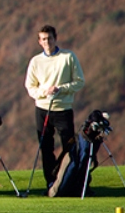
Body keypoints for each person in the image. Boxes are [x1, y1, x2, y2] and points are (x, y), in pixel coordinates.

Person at [24, 25, 85, 190]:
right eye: (43, 39)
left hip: (63, 109)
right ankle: (51, 182)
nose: (47, 42)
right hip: (42, 110)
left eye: (49, 38)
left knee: (69, 147)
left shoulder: (68, 57)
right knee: (46, 148)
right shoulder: (36, 61)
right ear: (39, 41)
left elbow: (79, 82)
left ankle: (68, 180)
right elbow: (30, 87)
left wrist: (61, 89)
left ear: (55, 38)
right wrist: (44, 92)